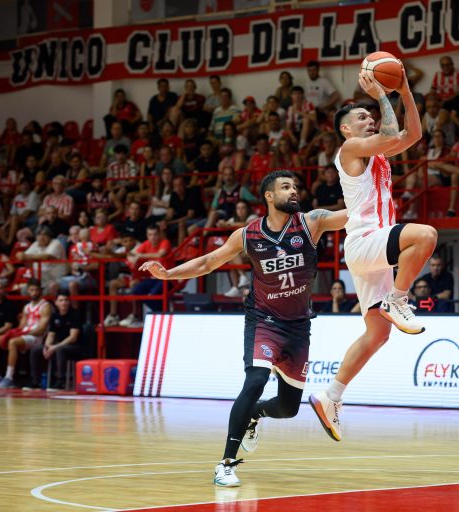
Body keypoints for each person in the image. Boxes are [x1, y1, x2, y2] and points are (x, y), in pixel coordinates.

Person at [139, 170, 347, 486]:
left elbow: (353, 215)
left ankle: (255, 414)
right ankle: (225, 464)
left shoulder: (311, 223)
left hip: (299, 327)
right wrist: (168, 274)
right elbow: (208, 262)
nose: (294, 191)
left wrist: (375, 190)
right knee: (256, 381)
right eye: (286, 187)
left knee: (288, 408)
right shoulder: (248, 235)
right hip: (264, 321)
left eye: (295, 186)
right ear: (268, 196)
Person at [308, 64, 437, 442]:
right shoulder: (350, 148)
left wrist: (405, 90)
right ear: (346, 130)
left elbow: (413, 135)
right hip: (366, 242)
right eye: (361, 117)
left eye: (370, 115)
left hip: (371, 249)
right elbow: (392, 133)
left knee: (378, 334)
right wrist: (382, 94)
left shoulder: (378, 154)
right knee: (425, 236)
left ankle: (330, 396)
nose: (370, 120)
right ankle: (398, 298)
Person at [0, 279, 51, 390]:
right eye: (31, 290)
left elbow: (41, 330)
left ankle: (9, 378)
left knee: (12, 342)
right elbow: (22, 326)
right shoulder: (27, 307)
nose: (34, 293)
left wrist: (22, 332)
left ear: (41, 291)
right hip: (26, 335)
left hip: (36, 337)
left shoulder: (45, 306)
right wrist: (16, 331)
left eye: (36, 290)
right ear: (28, 291)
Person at [28, 291, 83, 391]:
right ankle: (35, 381)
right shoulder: (54, 316)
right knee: (36, 349)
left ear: (69, 302)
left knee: (59, 350)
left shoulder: (75, 314)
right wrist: (47, 346)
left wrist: (55, 346)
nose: (63, 303)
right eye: (61, 300)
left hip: (75, 346)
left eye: (66, 300)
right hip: (59, 345)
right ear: (56, 302)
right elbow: (51, 335)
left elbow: (73, 337)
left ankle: (60, 381)